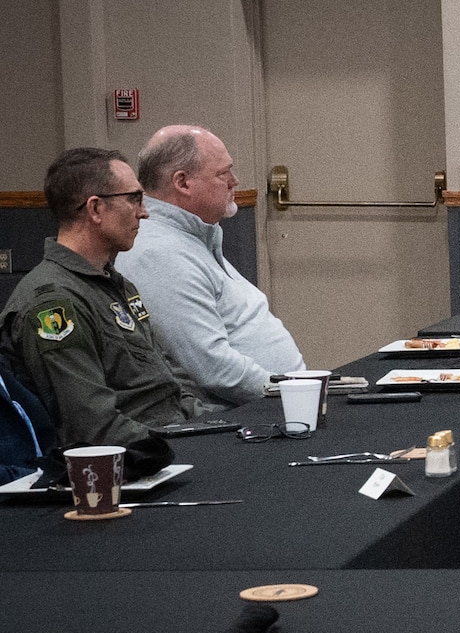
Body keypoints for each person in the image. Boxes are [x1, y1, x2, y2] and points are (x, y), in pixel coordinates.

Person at [0, 148, 200, 465]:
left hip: (173, 440)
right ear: (96, 208)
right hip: (135, 463)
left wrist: (213, 428)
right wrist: (187, 448)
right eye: (134, 198)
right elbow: (92, 427)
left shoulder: (115, 285)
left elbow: (165, 388)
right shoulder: (53, 303)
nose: (144, 212)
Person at [119, 125, 305, 408]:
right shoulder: (158, 254)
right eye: (223, 173)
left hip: (272, 407)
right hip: (243, 421)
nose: (235, 181)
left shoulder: (194, 237)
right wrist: (296, 395)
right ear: (182, 183)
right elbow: (213, 368)